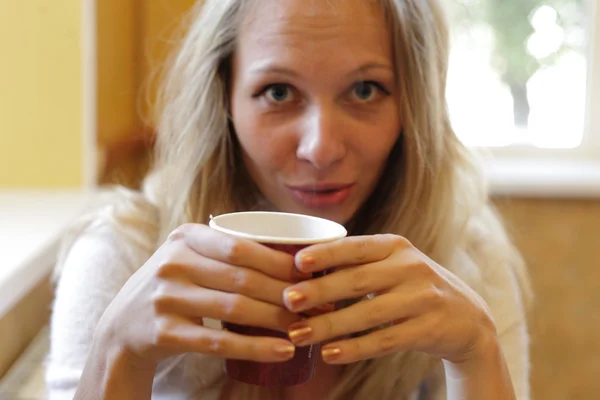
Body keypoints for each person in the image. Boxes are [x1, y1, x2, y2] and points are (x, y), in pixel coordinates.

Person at [46, 0, 532, 399]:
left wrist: (477, 355)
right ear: (224, 100)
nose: (320, 148)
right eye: (278, 91)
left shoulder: (464, 258)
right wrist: (117, 351)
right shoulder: (124, 254)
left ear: (413, 107)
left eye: (365, 90)